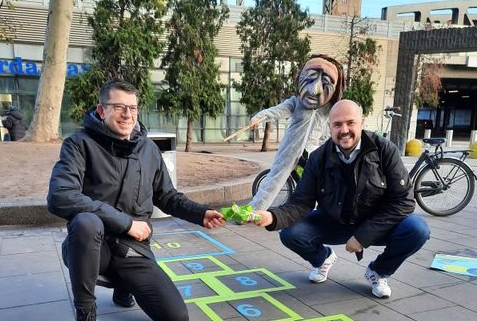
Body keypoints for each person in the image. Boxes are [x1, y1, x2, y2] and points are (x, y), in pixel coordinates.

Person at [47, 80, 226, 321]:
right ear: (102, 110)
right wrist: (127, 223)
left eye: (133, 108)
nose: (127, 114)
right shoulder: (78, 144)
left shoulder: (148, 149)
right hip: (91, 247)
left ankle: (125, 286)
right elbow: (60, 196)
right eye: (119, 107)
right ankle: (86, 311)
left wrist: (200, 213)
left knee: (177, 316)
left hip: (133, 248)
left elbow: (167, 196)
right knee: (86, 222)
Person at [254, 100, 430, 298]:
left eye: (350, 123)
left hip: (375, 223)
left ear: (361, 122)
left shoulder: (384, 150)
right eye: (337, 124)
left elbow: (403, 201)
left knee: (417, 229)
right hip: (333, 221)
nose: (344, 130)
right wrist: (272, 216)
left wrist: (363, 236)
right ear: (329, 127)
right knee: (289, 232)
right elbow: (301, 202)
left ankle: (379, 272)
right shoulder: (318, 158)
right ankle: (323, 259)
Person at [248, 54, 345, 211]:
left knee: (317, 185)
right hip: (290, 150)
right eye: (310, 78)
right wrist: (259, 118)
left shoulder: (330, 111)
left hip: (313, 154)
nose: (315, 89)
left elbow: (334, 131)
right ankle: (254, 211)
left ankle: (316, 216)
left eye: (326, 83)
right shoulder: (296, 102)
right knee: (273, 180)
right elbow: (277, 111)